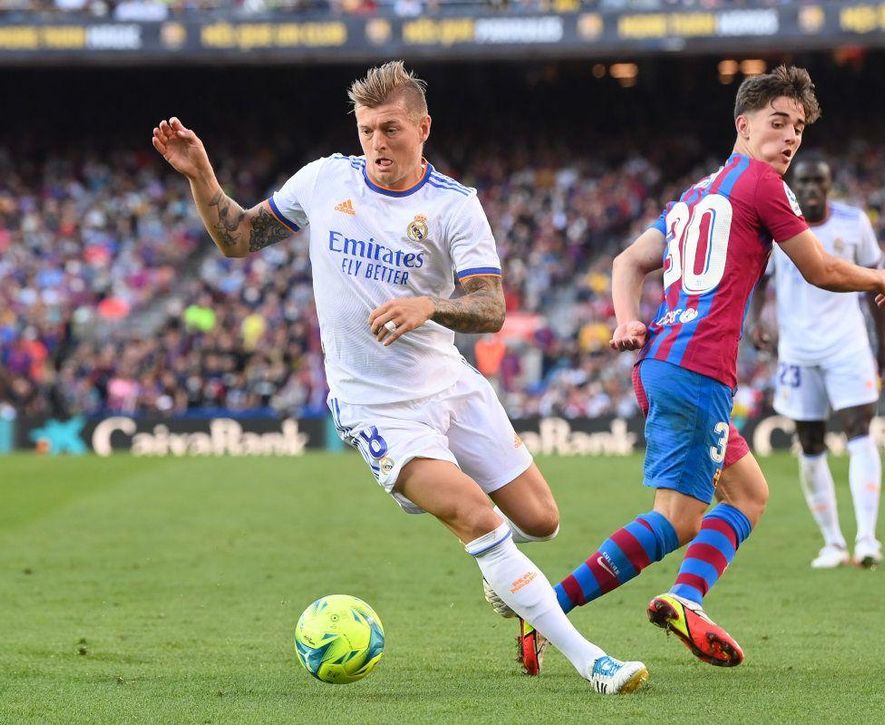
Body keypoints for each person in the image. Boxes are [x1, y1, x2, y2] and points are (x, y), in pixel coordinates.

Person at [152, 60, 647, 695]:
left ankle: (508, 581)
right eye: (367, 130)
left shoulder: (454, 206)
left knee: (541, 521)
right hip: (375, 407)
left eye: (390, 129)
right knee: (480, 519)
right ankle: (594, 663)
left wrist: (429, 306)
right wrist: (201, 174)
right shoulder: (325, 180)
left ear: (423, 127)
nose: (377, 144)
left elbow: (491, 308)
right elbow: (237, 237)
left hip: (450, 384)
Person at [490, 66, 885, 673]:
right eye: (778, 122)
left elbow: (627, 261)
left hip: (666, 359)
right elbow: (820, 269)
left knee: (749, 493)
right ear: (744, 124)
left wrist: (627, 319)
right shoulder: (763, 184)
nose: (791, 137)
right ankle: (560, 609)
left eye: (799, 127)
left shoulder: (695, 194)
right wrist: (878, 277)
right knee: (679, 518)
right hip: (698, 366)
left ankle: (671, 599)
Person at [748, 157, 885, 569]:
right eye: (805, 181)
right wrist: (757, 321)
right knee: (810, 444)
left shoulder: (854, 222)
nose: (812, 188)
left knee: (860, 433)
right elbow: (760, 278)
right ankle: (832, 542)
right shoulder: (779, 225)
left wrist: (883, 346)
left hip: (848, 345)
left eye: (819, 181)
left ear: (829, 185)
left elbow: (875, 285)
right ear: (794, 186)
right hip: (797, 351)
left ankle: (867, 539)